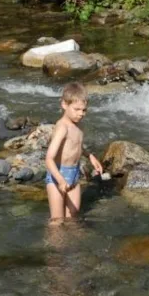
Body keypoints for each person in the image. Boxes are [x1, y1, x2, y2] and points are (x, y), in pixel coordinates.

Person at [45, 82, 103, 223]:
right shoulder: (62, 127)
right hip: (58, 175)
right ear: (64, 104)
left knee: (73, 215)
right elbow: (49, 159)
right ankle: (54, 243)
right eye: (76, 109)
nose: (81, 114)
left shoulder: (79, 126)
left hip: (74, 174)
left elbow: (76, 145)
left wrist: (90, 156)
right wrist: (60, 180)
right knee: (57, 220)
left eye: (84, 110)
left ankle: (69, 243)